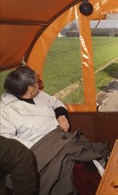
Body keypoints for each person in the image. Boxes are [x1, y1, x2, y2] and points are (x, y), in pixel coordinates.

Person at [0, 66, 108, 195]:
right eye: (37, 82)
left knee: (87, 157)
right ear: (30, 88)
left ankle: (104, 180)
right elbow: (6, 141)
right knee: (77, 170)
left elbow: (56, 103)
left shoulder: (39, 95)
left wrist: (62, 116)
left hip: (61, 140)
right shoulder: (5, 109)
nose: (40, 85)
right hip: (36, 151)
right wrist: (48, 144)